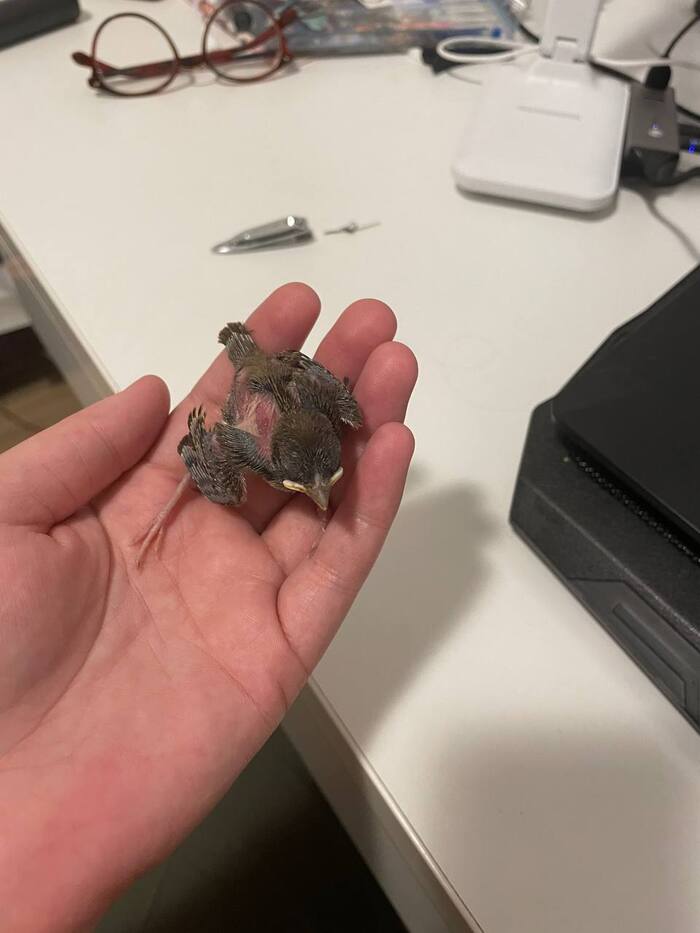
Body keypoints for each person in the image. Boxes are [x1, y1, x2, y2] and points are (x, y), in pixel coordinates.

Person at [0, 284, 417, 933]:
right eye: (305, 481)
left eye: (327, 479)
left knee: (343, 417)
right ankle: (237, 376)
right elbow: (223, 446)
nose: (318, 495)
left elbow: (329, 414)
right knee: (221, 484)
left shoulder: (326, 424)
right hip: (254, 395)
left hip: (283, 383)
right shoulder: (255, 447)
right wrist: (199, 464)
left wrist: (328, 407)